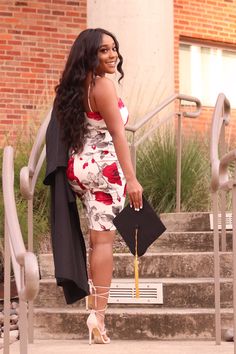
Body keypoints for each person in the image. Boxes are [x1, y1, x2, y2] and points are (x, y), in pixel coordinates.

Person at [53, 28, 143, 345]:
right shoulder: (103, 85)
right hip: (106, 168)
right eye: (104, 50)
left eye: (114, 48)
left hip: (82, 166)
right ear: (89, 53)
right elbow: (118, 135)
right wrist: (131, 178)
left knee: (97, 238)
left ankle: (95, 311)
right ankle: (99, 317)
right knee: (106, 243)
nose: (112, 54)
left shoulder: (75, 87)